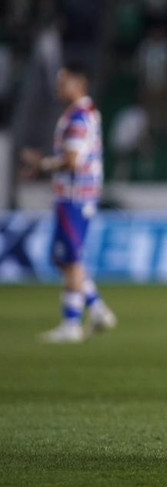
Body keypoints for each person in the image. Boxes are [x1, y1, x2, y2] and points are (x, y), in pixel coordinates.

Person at [20, 60, 117, 343]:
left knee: (71, 259)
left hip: (75, 197)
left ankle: (72, 324)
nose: (59, 86)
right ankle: (97, 309)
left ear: (80, 83)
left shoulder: (77, 119)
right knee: (63, 258)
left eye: (65, 81)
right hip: (77, 197)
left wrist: (43, 166)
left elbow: (73, 161)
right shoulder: (85, 114)